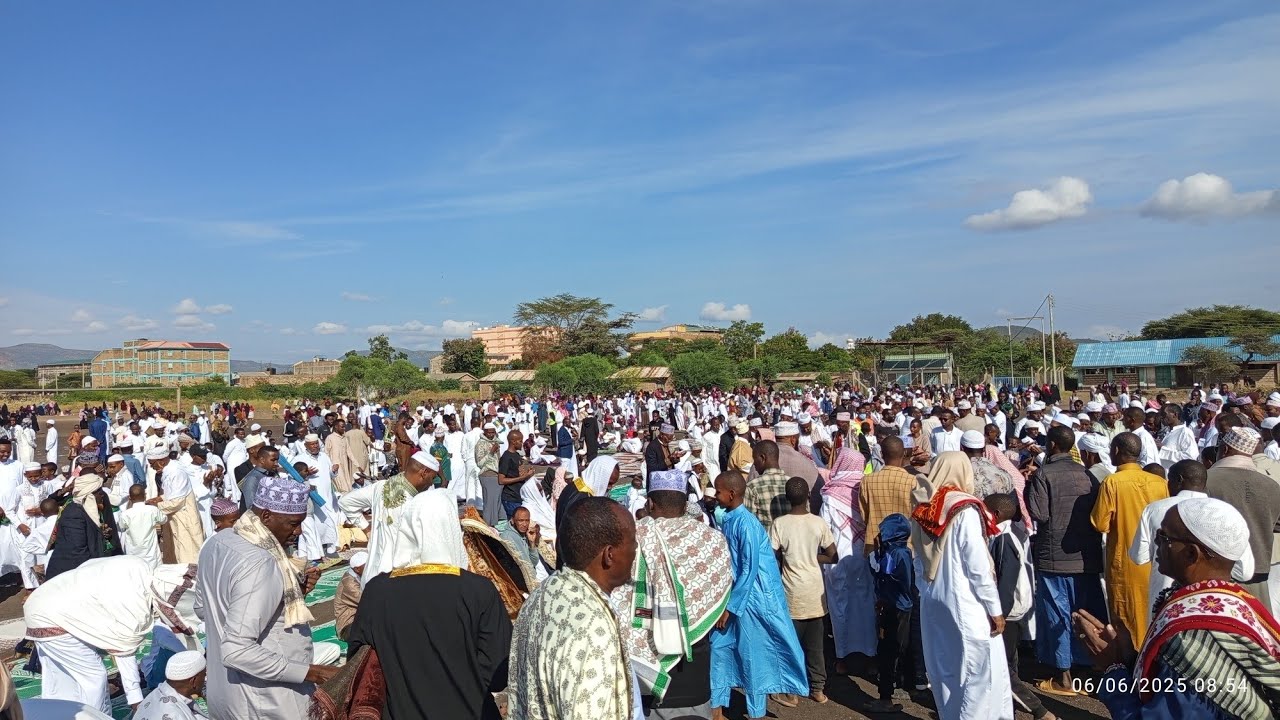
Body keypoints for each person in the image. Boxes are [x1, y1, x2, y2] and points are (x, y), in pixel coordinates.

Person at [1075, 498, 1280, 719]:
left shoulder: (1194, 638)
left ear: (1191, 554)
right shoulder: (1232, 599)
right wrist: (1128, 658)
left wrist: (1112, 670)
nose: (1156, 543)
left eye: (1164, 537)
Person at [347, 489, 512, 720]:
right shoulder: (477, 590)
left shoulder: (377, 590)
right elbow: (499, 671)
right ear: (450, 531)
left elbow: (358, 659)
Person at [197, 476, 339, 719]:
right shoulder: (260, 561)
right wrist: (312, 673)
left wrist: (286, 595)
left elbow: (203, 608)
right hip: (267, 700)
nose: (299, 531)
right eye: (293, 523)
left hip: (226, 695)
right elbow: (236, 651)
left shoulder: (217, 542)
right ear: (265, 516)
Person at [612, 470, 732, 719]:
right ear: (685, 503)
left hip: (640, 670)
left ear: (650, 503)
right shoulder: (712, 541)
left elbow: (617, 594)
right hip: (693, 670)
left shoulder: (631, 538)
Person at [508, 497, 638, 720]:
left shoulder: (542, 595)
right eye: (633, 543)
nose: (636, 550)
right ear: (609, 554)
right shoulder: (593, 626)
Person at [909, 452, 1012, 720]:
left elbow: (917, 559)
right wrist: (994, 608)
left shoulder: (924, 504)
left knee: (945, 667)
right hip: (965, 600)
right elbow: (976, 566)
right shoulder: (965, 509)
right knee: (978, 670)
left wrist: (927, 589)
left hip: (933, 597)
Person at [24, 557, 200, 714]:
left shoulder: (138, 566)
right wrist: (136, 700)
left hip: (42, 602)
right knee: (93, 678)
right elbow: (124, 654)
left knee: (61, 678)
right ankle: (95, 717)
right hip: (55, 617)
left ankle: (55, 714)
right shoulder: (135, 603)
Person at [710, 471, 808, 719]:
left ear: (731, 494)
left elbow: (749, 566)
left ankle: (755, 711)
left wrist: (732, 606)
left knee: (754, 654)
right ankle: (718, 706)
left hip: (753, 599)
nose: (715, 496)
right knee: (720, 647)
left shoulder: (747, 523)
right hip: (737, 596)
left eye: (718, 491)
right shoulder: (730, 519)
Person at [1024, 425, 1106, 696]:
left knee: (1058, 615)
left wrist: (1028, 486)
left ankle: (1063, 677)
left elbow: (1039, 514)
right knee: (1086, 612)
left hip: (1054, 558)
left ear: (1052, 446)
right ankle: (1090, 670)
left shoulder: (1044, 474)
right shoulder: (1088, 474)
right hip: (1086, 557)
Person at [1091, 432, 1170, 652]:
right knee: (1151, 611)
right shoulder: (1158, 482)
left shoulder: (1112, 482)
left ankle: (1131, 667)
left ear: (1116, 451)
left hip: (1125, 560)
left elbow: (1100, 523)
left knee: (1125, 616)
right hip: (1155, 560)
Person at [985, 493, 1055, 720]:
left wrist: (999, 613)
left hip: (1008, 610)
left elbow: (1007, 580)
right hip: (1015, 607)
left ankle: (1040, 711)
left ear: (995, 515)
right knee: (1009, 663)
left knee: (1004, 668)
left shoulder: (1004, 538)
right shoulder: (1016, 532)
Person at [771, 477, 838, 705]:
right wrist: (812, 557)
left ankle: (791, 690)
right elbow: (832, 555)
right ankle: (818, 689)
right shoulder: (818, 523)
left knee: (791, 644)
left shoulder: (780, 524)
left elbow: (773, 556)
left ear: (788, 499)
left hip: (792, 593)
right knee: (816, 646)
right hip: (815, 592)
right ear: (809, 497)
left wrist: (789, 559)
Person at [338, 451, 441, 587]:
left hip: (372, 576)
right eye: (432, 478)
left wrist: (367, 529)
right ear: (424, 473)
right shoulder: (414, 505)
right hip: (396, 579)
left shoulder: (382, 486)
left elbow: (345, 502)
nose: (431, 483)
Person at [1128, 459, 1209, 628]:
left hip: (1165, 602)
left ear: (1179, 480)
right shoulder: (1225, 511)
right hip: (1210, 603)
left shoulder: (1155, 509)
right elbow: (1244, 571)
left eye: (1169, 481)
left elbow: (1139, 557)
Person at [1206, 426, 1280, 607]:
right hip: (1260, 569)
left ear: (1225, 449)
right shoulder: (1271, 484)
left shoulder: (1206, 479)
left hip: (1219, 573)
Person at [819, 447, 878, 674]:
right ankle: (870, 656)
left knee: (840, 606)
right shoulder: (867, 488)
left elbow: (826, 530)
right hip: (863, 554)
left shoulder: (831, 494)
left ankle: (842, 658)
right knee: (866, 606)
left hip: (838, 556)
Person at [868, 513, 921, 714]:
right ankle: (890, 691)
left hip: (898, 609)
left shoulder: (899, 554)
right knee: (890, 649)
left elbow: (902, 582)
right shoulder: (892, 552)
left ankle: (887, 695)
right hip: (892, 606)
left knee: (892, 650)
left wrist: (878, 566)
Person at [148, 445, 204, 564]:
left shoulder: (176, 472)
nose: (151, 467)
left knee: (187, 552)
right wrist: (159, 498)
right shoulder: (168, 471)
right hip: (173, 517)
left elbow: (177, 502)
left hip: (184, 517)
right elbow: (172, 493)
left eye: (152, 463)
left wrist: (155, 506)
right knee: (174, 551)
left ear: (161, 461)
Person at [133, 650, 207, 720]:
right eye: (204, 675)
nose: (205, 679)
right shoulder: (175, 715)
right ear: (193, 681)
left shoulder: (157, 692)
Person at [118, 483, 168, 569]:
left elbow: (121, 526)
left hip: (133, 552)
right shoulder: (152, 510)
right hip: (150, 552)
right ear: (145, 495)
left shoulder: (125, 514)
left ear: (129, 497)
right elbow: (164, 519)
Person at [743, 440, 789, 529]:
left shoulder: (752, 487)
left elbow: (749, 525)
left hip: (766, 541)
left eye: (754, 459)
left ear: (762, 458)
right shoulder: (791, 483)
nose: (754, 463)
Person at [499, 430, 538, 520]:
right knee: (516, 522)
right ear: (513, 441)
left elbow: (516, 473)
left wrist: (527, 473)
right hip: (510, 497)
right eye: (520, 441)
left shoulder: (516, 455)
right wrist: (523, 477)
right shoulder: (506, 457)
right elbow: (501, 480)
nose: (522, 443)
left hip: (518, 495)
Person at [334, 551, 367, 641]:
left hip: (360, 619)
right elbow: (368, 601)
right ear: (357, 569)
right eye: (367, 566)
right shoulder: (349, 583)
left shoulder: (359, 576)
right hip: (348, 625)